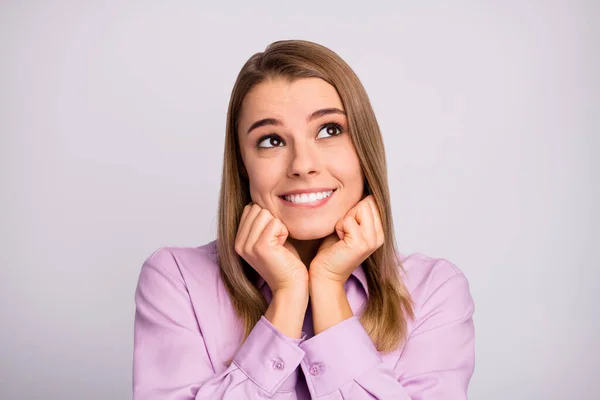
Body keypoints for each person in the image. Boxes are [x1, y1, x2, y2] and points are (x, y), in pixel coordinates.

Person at [132, 40, 475, 399]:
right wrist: (287, 297)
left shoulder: (433, 291)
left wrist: (327, 288)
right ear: (243, 167)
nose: (302, 165)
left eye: (329, 130)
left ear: (364, 150)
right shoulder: (177, 281)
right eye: (271, 140)